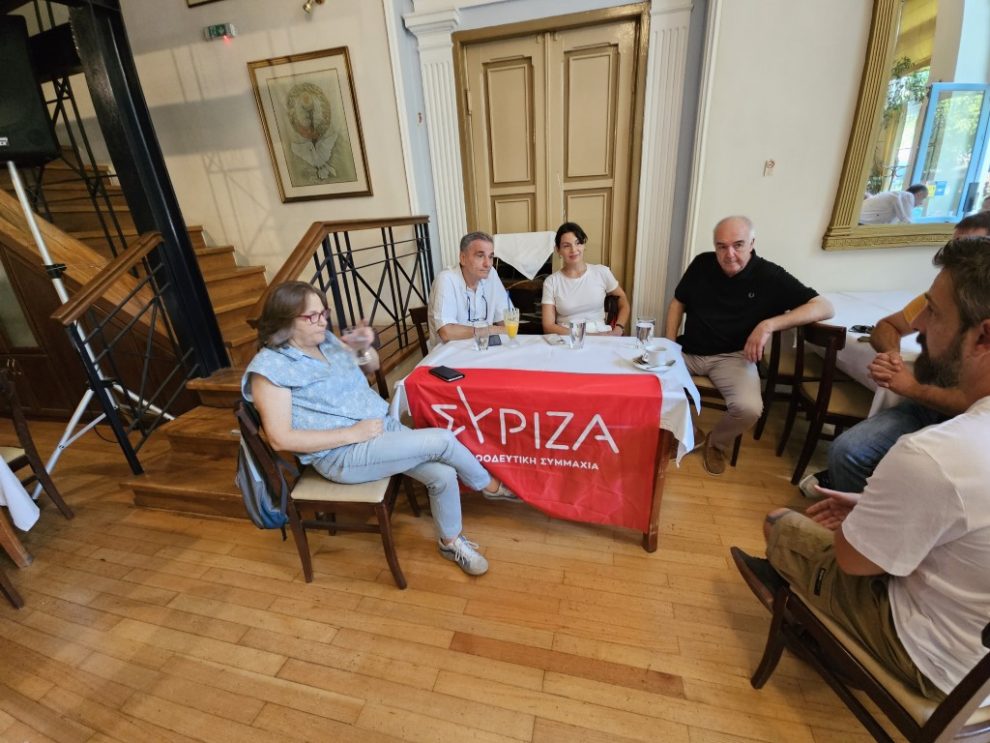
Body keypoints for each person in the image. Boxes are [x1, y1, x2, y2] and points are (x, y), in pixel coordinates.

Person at [735, 236, 990, 702]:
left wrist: (868, 519)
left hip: (932, 658)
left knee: (781, 523)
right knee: (849, 461)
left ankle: (817, 631)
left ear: (983, 336)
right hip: (977, 658)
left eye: (934, 313)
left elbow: (853, 561)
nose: (920, 324)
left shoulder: (934, 455)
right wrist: (877, 509)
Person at [242, 281, 518, 577]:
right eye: (312, 316)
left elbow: (369, 366)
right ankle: (491, 486)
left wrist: (362, 347)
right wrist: (352, 434)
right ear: (285, 321)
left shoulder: (325, 341)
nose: (322, 321)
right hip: (341, 453)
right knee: (443, 439)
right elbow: (280, 439)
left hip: (379, 429)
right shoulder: (270, 368)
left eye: (324, 313)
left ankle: (450, 542)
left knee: (443, 474)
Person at [800, 211, 990, 496]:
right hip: (924, 406)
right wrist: (893, 355)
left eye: (969, 252)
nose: (920, 325)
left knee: (918, 471)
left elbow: (972, 406)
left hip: (949, 414)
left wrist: (911, 387)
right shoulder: (941, 295)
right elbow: (886, 326)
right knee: (848, 452)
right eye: (954, 246)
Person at [664, 216, 833, 476]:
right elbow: (678, 302)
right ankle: (691, 432)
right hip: (689, 351)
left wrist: (768, 325)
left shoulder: (770, 275)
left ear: (752, 243)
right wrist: (669, 344)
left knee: (749, 409)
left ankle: (716, 442)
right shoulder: (701, 263)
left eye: (738, 245)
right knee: (645, 383)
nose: (729, 254)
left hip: (733, 357)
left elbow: (824, 307)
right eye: (721, 246)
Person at [541, 222, 630, 336]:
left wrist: (619, 328)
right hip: (567, 338)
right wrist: (587, 336)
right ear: (558, 250)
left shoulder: (602, 272)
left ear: (584, 245)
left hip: (602, 335)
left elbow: (622, 299)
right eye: (566, 246)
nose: (574, 249)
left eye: (578, 243)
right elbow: (548, 326)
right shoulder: (551, 282)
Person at [427, 231, 508, 346]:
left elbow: (505, 319)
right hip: (451, 353)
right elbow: (446, 332)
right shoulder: (446, 279)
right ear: (463, 258)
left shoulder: (491, 274)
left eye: (490, 257)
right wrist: (489, 330)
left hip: (484, 348)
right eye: (480, 256)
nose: (488, 264)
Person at [859, 184, 929, 224]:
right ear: (919, 194)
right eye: (923, 198)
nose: (921, 203)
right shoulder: (908, 196)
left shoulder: (898, 197)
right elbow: (908, 223)